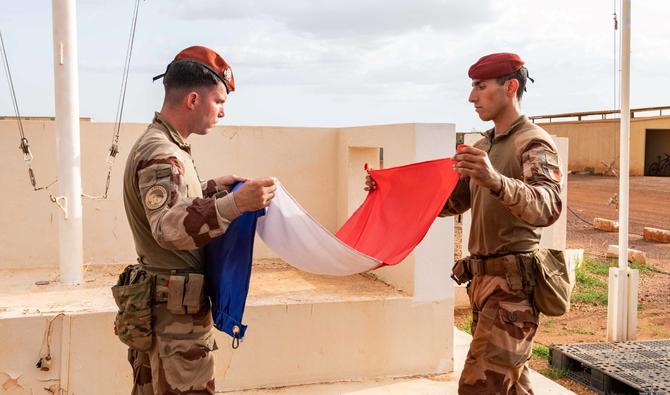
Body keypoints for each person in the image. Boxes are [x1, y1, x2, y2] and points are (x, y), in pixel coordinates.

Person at [366, 52, 562, 394]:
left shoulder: (532, 141)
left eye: (480, 86)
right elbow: (451, 201)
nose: (472, 97)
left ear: (510, 87)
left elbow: (547, 206)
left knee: (479, 387)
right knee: (511, 385)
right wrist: (391, 193)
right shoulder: (484, 145)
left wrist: (496, 180)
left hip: (512, 291)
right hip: (483, 285)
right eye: (472, 87)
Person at [118, 45, 276, 394]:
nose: (222, 112)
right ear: (193, 99)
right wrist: (233, 205)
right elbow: (166, 227)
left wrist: (208, 191)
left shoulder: (165, 146)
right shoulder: (162, 153)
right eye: (219, 102)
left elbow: (169, 205)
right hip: (174, 324)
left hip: (170, 314)